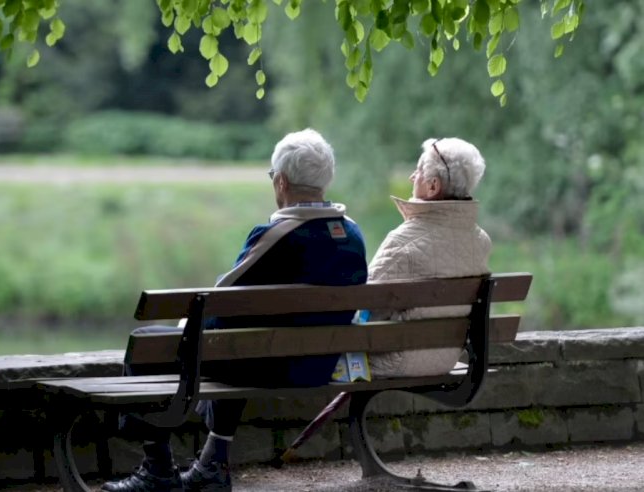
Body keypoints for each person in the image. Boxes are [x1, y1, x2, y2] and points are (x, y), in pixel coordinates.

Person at [102, 128, 367, 492]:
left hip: (270, 366)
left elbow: (219, 297)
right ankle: (213, 462)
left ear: (282, 182)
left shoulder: (276, 236)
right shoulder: (352, 236)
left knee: (154, 342)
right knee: (240, 338)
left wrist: (185, 327)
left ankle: (157, 469)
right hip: (318, 366)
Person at [365, 137, 491, 378]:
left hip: (394, 360)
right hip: (445, 360)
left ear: (433, 187)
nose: (413, 177)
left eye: (419, 170)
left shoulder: (404, 241)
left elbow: (365, 306)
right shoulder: (481, 241)